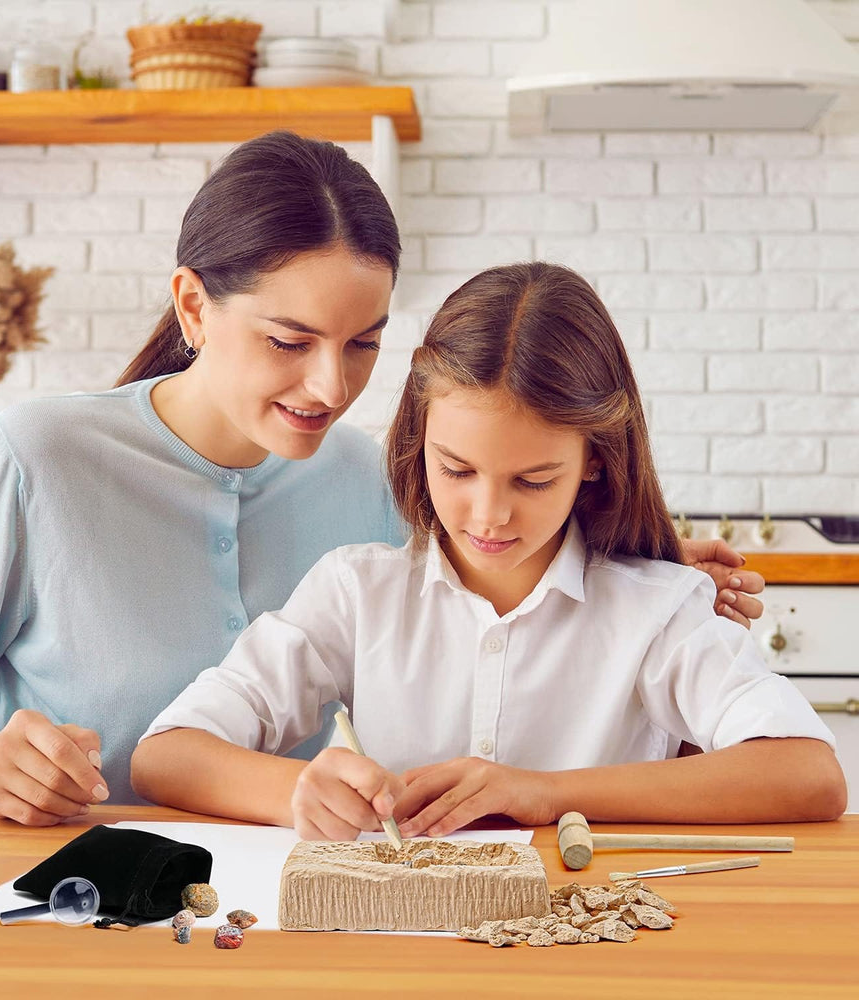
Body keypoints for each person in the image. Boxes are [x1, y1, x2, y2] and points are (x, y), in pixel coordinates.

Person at [0, 134, 761, 826]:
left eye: (363, 343)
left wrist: (645, 558)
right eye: (289, 342)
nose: (333, 387)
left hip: (250, 912)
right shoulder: (34, 459)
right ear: (193, 306)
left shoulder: (361, 476)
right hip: (47, 904)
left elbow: (483, 547)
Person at [131, 261, 845, 839]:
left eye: (534, 480)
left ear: (595, 460)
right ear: (420, 440)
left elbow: (810, 775)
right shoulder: (358, 592)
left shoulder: (658, 608)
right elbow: (167, 755)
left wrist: (541, 794)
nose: (489, 515)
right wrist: (298, 788)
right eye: (457, 470)